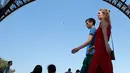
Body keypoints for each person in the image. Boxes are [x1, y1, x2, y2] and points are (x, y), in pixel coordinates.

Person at [88, 8, 113, 73]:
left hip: (101, 51)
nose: (98, 15)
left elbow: (105, 36)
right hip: (100, 50)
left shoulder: (103, 23)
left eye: (99, 13)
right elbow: (101, 38)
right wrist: (94, 47)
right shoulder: (104, 23)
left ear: (104, 14)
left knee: (94, 69)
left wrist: (107, 46)